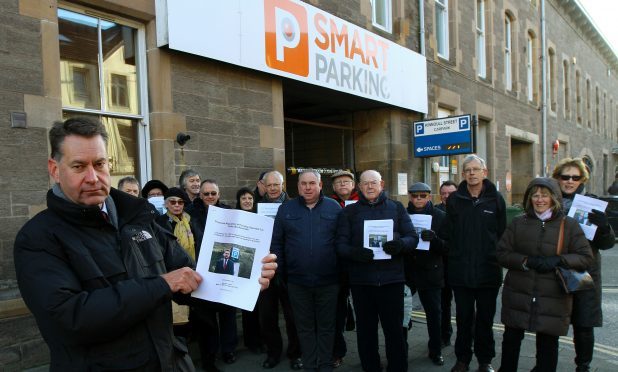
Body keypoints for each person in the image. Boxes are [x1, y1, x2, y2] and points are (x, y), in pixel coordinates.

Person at [13, 117, 277, 371]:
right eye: (79, 166)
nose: (93, 177)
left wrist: (246, 279)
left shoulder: (139, 219)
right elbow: (68, 319)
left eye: (100, 164)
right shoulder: (38, 238)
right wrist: (162, 284)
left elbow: (195, 281)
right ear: (54, 170)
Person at [497, 177, 593, 372]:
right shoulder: (518, 222)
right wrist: (525, 261)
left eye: (545, 196)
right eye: (535, 195)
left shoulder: (569, 225)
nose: (539, 200)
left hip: (554, 295)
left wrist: (559, 260)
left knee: (548, 346)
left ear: (554, 198)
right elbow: (501, 253)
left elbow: (585, 257)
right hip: (519, 292)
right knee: (511, 341)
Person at [337, 170, 419, 372]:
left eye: (374, 182)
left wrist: (400, 244)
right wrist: (355, 253)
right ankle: (370, 367)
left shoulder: (396, 207)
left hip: (392, 280)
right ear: (359, 186)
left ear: (381, 184)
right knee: (365, 332)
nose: (370, 187)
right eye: (365, 183)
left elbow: (412, 237)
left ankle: (398, 367)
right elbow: (340, 245)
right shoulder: (349, 212)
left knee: (395, 331)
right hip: (362, 282)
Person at [439, 154, 506, 372]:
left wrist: (496, 257)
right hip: (461, 271)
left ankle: (485, 360)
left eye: (476, 169)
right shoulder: (455, 200)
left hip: (489, 270)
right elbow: (448, 233)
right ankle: (462, 359)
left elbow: (502, 233)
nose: (471, 173)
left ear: (484, 172)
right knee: (464, 319)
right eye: (467, 170)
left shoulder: (495, 199)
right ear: (463, 173)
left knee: (485, 321)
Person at [271, 169, 342, 371]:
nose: (308, 187)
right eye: (304, 183)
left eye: (312, 183)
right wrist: (280, 273)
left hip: (328, 281)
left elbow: (342, 241)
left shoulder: (334, 207)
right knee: (304, 328)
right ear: (298, 186)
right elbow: (277, 243)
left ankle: (326, 364)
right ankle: (310, 366)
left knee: (327, 327)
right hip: (297, 282)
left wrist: (341, 274)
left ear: (320, 185)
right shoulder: (286, 209)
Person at [551, 158, 615, 372]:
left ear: (582, 180)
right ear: (558, 178)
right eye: (565, 176)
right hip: (555, 270)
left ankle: (583, 366)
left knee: (584, 324)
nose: (570, 181)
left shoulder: (592, 204)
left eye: (575, 177)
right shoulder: (548, 202)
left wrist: (604, 227)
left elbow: (606, 244)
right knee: (550, 323)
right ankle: (545, 365)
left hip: (585, 273)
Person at [188, 179, 237, 370]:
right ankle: (210, 353)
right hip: (202, 271)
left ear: (219, 195)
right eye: (206, 194)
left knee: (228, 313)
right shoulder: (191, 213)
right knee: (206, 317)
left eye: (213, 193)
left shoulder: (228, 211)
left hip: (224, 270)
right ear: (200, 195)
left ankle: (229, 349)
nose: (210, 197)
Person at [257, 171, 302, 370]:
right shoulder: (255, 207)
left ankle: (296, 353)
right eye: (270, 185)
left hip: (289, 268)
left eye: (277, 184)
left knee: (293, 316)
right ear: (263, 186)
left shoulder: (295, 205)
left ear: (283, 185)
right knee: (267, 315)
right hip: (263, 269)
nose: (273, 188)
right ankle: (273, 353)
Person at [405, 182, 447, 366]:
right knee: (402, 313)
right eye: (415, 196)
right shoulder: (403, 215)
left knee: (434, 314)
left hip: (431, 271)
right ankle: (401, 348)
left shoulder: (440, 217)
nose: (419, 199)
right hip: (408, 271)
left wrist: (435, 240)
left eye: (423, 195)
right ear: (410, 197)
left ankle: (435, 350)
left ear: (430, 196)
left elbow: (448, 247)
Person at [329, 170, 358, 367]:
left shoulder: (365, 202)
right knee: (336, 313)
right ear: (333, 187)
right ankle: (337, 351)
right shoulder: (328, 205)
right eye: (338, 182)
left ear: (354, 184)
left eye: (346, 181)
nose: (342, 185)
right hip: (337, 266)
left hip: (361, 265)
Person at [235, 187, 264, 354]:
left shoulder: (260, 218)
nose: (247, 201)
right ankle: (251, 341)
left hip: (258, 266)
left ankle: (261, 338)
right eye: (243, 198)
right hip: (242, 265)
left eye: (250, 198)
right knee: (247, 307)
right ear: (239, 201)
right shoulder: (235, 217)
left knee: (261, 306)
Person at [435, 180, 458, 347]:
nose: (446, 196)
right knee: (443, 303)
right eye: (443, 193)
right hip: (441, 265)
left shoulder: (465, 211)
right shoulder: (435, 212)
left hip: (460, 264)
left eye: (450, 193)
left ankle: (469, 337)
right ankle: (445, 335)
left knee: (466, 306)